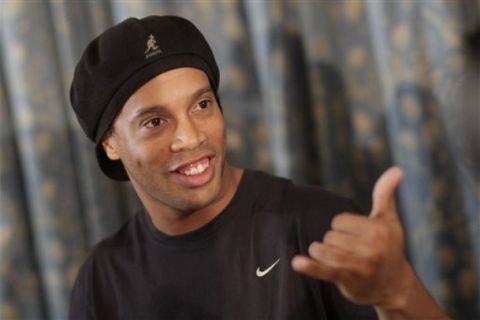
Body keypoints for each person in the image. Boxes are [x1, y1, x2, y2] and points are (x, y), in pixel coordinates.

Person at [68, 15, 448, 319]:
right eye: (154, 122)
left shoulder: (318, 226)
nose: (190, 137)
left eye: (202, 105)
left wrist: (399, 291)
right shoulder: (102, 279)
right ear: (111, 143)